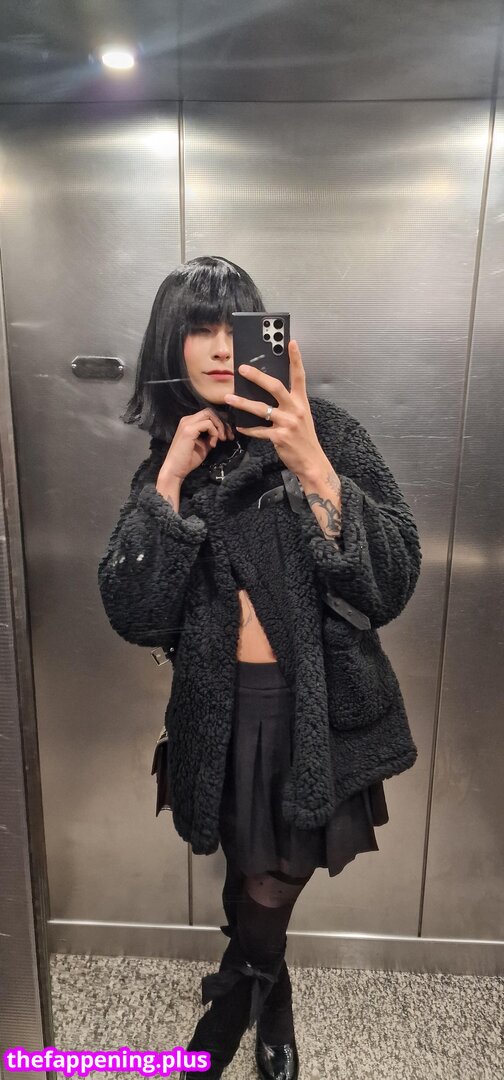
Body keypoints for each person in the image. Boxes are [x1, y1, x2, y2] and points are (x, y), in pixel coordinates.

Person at [97, 255, 422, 1079]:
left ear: (260, 338)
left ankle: (238, 999)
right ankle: (273, 992)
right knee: (247, 861)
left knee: (279, 872)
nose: (216, 347)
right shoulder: (169, 459)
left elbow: (393, 579)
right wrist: (170, 478)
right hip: (219, 709)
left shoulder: (324, 431)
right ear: (169, 345)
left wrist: (312, 463)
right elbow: (133, 614)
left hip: (313, 705)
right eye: (196, 329)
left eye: (231, 326)